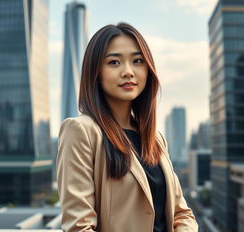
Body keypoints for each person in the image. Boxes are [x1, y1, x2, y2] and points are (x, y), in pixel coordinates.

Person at [56, 22, 198, 232]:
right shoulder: (80, 131)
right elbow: (79, 226)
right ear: (96, 72)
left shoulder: (155, 139)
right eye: (114, 62)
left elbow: (182, 214)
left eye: (137, 61)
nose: (128, 72)